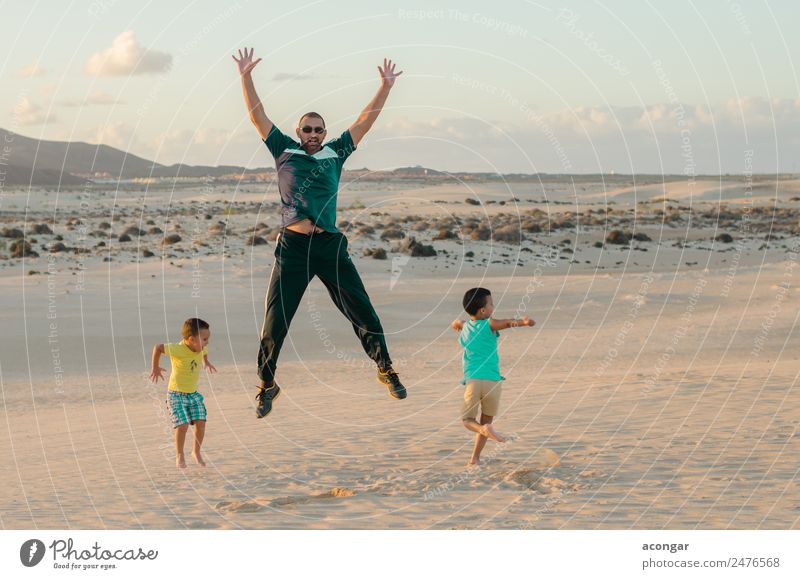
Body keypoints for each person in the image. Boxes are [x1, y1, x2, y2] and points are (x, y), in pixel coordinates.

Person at [232, 47, 407, 418]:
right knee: (275, 321)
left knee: (362, 310)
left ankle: (385, 368)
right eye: (307, 128)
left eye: (318, 129)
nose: (313, 133)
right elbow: (257, 116)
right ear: (298, 132)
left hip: (329, 245)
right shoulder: (283, 150)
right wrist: (246, 77)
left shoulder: (336, 153)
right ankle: (267, 384)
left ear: (324, 133)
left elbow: (365, 119)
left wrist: (386, 87)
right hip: (293, 247)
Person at [452, 288, 535, 465]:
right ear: (483, 311)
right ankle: (475, 457)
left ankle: (478, 445)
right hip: (493, 382)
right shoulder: (489, 324)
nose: (493, 306)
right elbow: (505, 323)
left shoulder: (465, 328)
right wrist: (523, 322)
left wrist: (457, 324)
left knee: (468, 420)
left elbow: (457, 324)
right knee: (486, 422)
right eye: (491, 304)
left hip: (473, 381)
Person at [150, 318, 217, 468]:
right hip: (176, 394)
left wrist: (206, 362)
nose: (207, 342)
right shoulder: (178, 349)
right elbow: (158, 347)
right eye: (205, 339)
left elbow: (204, 351)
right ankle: (179, 454)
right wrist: (155, 367)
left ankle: (196, 452)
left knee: (201, 423)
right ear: (191, 340)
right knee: (183, 426)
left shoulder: (200, 348)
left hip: (193, 394)